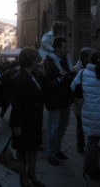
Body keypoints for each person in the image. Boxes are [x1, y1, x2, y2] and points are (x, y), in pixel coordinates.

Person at [10, 48, 45, 187]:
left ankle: (32, 174)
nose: (38, 60)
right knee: (23, 152)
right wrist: (17, 125)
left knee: (33, 149)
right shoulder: (18, 78)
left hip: (33, 120)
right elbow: (16, 103)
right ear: (31, 60)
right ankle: (24, 178)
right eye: (36, 58)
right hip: (23, 121)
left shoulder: (33, 75)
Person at [43, 37, 74, 166]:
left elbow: (69, 76)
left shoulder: (66, 61)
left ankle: (57, 150)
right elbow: (46, 85)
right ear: (57, 49)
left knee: (63, 127)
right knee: (54, 128)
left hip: (65, 100)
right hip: (54, 101)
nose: (67, 49)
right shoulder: (48, 63)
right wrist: (60, 78)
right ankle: (51, 153)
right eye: (64, 47)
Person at [81, 49, 100, 180]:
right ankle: (91, 169)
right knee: (93, 143)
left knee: (91, 142)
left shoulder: (84, 72)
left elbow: (74, 86)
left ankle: (89, 168)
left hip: (89, 112)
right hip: (97, 112)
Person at [70, 47, 92, 154]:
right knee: (80, 123)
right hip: (80, 101)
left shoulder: (79, 69)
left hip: (88, 101)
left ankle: (86, 145)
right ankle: (81, 145)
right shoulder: (79, 70)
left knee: (86, 124)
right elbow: (73, 86)